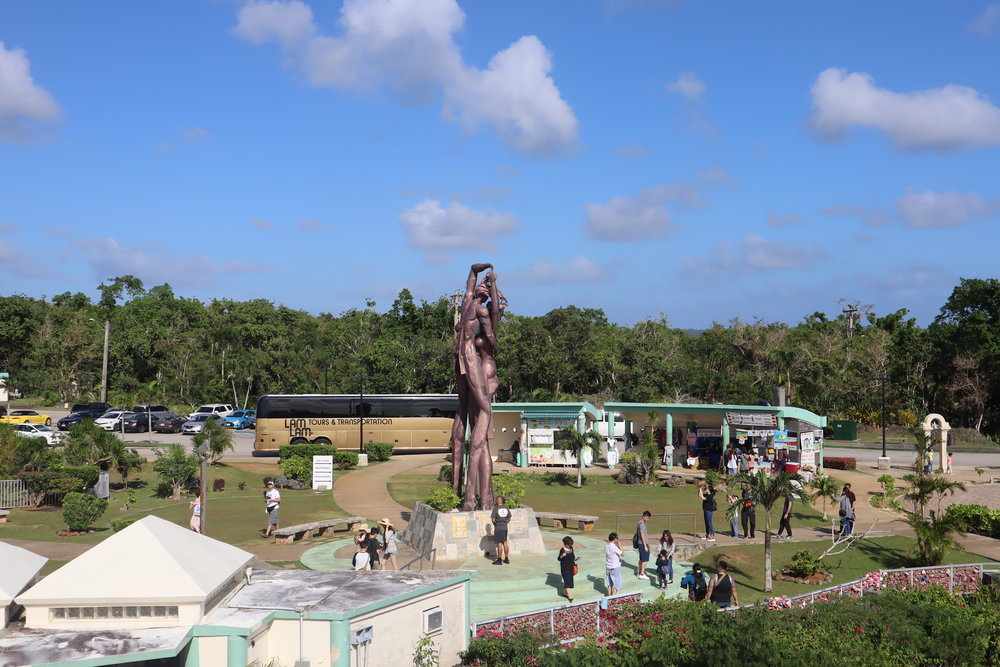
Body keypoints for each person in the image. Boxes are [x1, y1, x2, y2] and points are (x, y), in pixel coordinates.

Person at [491, 495, 512, 565]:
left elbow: (493, 520)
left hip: (498, 528)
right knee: (505, 542)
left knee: (499, 543)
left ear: (497, 501)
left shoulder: (495, 509)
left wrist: (496, 524)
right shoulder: (506, 508)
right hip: (505, 527)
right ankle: (506, 559)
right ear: (502, 501)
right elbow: (509, 518)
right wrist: (505, 523)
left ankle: (499, 559)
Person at [557, 536, 577, 601]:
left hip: (571, 567)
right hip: (564, 568)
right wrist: (562, 556)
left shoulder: (571, 548)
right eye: (569, 544)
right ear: (565, 543)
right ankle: (569, 595)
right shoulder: (562, 550)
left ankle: (564, 593)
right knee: (567, 581)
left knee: (569, 580)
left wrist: (575, 558)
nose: (570, 545)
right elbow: (559, 559)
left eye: (571, 544)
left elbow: (573, 555)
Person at [635, 511, 651, 578]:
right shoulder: (642, 524)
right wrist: (645, 546)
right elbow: (642, 534)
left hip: (640, 543)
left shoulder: (640, 522)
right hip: (642, 544)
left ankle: (640, 572)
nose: (648, 520)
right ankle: (642, 574)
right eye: (647, 518)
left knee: (642, 559)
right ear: (644, 516)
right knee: (645, 559)